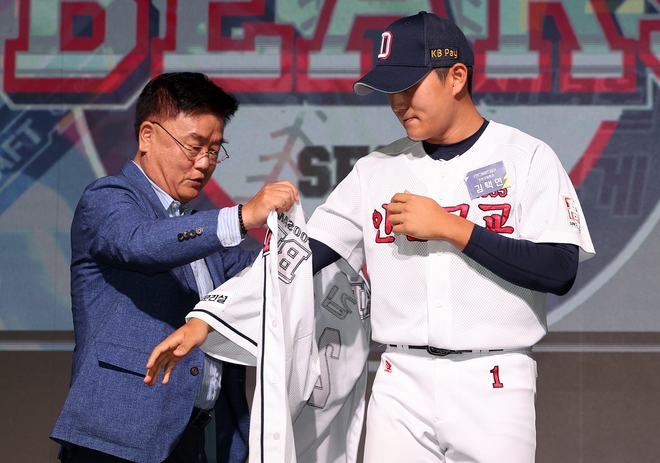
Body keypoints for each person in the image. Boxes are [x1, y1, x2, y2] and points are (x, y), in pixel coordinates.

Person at [304, 11, 595, 463]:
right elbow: (307, 254)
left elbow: (558, 269)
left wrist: (452, 228)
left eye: (408, 87)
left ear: (456, 76)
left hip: (494, 378)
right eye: (389, 91)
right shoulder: (374, 170)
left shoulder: (527, 157)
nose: (397, 103)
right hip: (400, 377)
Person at [50, 72, 299, 463]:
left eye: (215, 150)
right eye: (194, 146)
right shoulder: (107, 199)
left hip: (193, 438)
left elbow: (261, 271)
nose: (205, 163)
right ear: (147, 135)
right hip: (117, 437)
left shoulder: (198, 232)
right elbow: (139, 243)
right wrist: (242, 215)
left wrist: (334, 240)